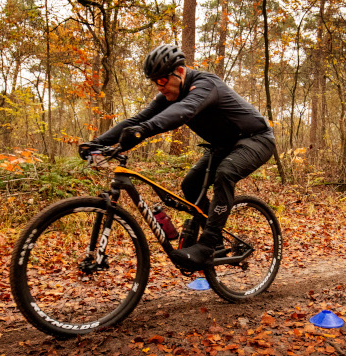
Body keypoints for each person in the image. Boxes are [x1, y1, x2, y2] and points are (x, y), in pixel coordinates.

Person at [78, 44, 276, 271]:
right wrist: (97, 143)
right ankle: (217, 242)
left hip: (257, 138)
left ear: (180, 72)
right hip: (224, 145)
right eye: (155, 82)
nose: (159, 87)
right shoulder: (169, 95)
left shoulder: (205, 85)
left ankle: (208, 243)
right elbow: (135, 120)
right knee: (190, 185)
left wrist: (144, 130)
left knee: (225, 173)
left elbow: (183, 112)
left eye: (162, 80)